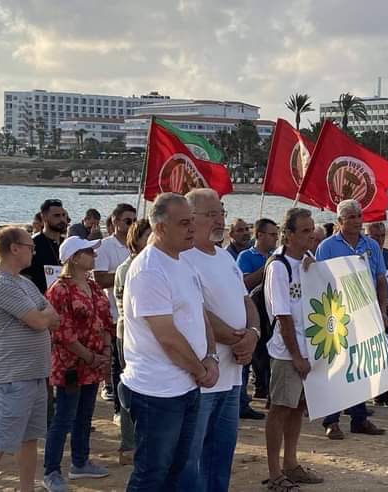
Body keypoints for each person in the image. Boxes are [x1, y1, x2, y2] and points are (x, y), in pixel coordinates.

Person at [119, 193, 218, 491]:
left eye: (193, 221)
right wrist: (200, 370)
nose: (192, 228)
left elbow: (199, 313)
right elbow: (166, 335)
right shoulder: (150, 269)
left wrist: (211, 355)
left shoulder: (182, 261)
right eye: (184, 223)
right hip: (157, 392)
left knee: (176, 470)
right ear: (160, 228)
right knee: (151, 474)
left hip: (185, 385)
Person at [180, 189, 261, 491]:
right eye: (211, 213)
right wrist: (234, 339)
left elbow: (247, 301)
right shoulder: (185, 258)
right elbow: (197, 311)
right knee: (192, 458)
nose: (219, 219)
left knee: (221, 454)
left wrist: (252, 335)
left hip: (233, 375)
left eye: (222, 212)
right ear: (191, 217)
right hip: (204, 376)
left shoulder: (226, 257)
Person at [0, 227, 60, 492]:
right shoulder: (1, 283)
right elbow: (38, 320)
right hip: (10, 378)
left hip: (32, 374)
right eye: (29, 247)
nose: (33, 251)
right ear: (14, 248)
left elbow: (52, 315)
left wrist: (42, 317)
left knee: (29, 439)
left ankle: (27, 489)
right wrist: (41, 317)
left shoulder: (23, 282)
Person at [42, 237, 112, 491]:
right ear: (74, 257)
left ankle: (80, 462)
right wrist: (90, 355)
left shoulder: (93, 287)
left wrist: (104, 349)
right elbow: (62, 332)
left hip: (93, 362)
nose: (94, 255)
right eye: (88, 252)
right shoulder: (59, 290)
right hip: (70, 364)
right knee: (63, 417)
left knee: (85, 415)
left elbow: (105, 319)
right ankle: (51, 470)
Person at [316, 200, 387, 438]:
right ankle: (331, 420)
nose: (357, 220)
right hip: (337, 314)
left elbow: (380, 279)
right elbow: (319, 281)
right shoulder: (327, 247)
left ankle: (359, 418)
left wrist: (383, 309)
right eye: (351, 217)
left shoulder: (372, 246)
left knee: (361, 366)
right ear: (340, 221)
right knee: (336, 367)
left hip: (365, 312)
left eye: (359, 216)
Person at [265, 208, 323, 492]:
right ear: (288, 235)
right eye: (304, 230)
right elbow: (283, 316)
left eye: (312, 229)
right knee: (280, 408)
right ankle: (275, 472)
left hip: (309, 350)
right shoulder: (279, 266)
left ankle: (291, 463)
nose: (311, 234)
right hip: (287, 353)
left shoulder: (309, 262)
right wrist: (296, 355)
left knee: (298, 408)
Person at [113, 219, 151, 467]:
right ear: (136, 240)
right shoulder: (132, 268)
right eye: (148, 235)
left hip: (137, 331)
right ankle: (129, 444)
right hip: (130, 332)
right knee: (131, 385)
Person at [94, 204, 136, 412]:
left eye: (134, 221)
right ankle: (114, 396)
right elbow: (99, 278)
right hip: (112, 310)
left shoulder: (135, 246)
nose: (131, 225)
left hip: (133, 312)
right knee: (115, 358)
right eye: (128, 221)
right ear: (115, 222)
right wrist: (126, 275)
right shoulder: (105, 246)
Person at [237, 218, 279, 418]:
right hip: (256, 313)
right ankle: (246, 399)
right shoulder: (246, 256)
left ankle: (273, 395)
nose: (275, 238)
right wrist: (269, 268)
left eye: (277, 234)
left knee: (274, 355)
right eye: (271, 234)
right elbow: (244, 282)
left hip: (274, 315)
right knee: (257, 357)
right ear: (259, 235)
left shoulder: (278, 256)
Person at [365, 221, 388, 407]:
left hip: (387, 311)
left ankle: (383, 393)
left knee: (386, 353)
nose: (379, 240)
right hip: (367, 312)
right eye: (375, 236)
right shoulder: (364, 255)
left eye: (382, 236)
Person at [22, 199, 67, 294]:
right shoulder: (32, 244)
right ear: (44, 217)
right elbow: (23, 276)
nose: (62, 219)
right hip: (41, 300)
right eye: (56, 216)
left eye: (63, 215)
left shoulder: (66, 243)